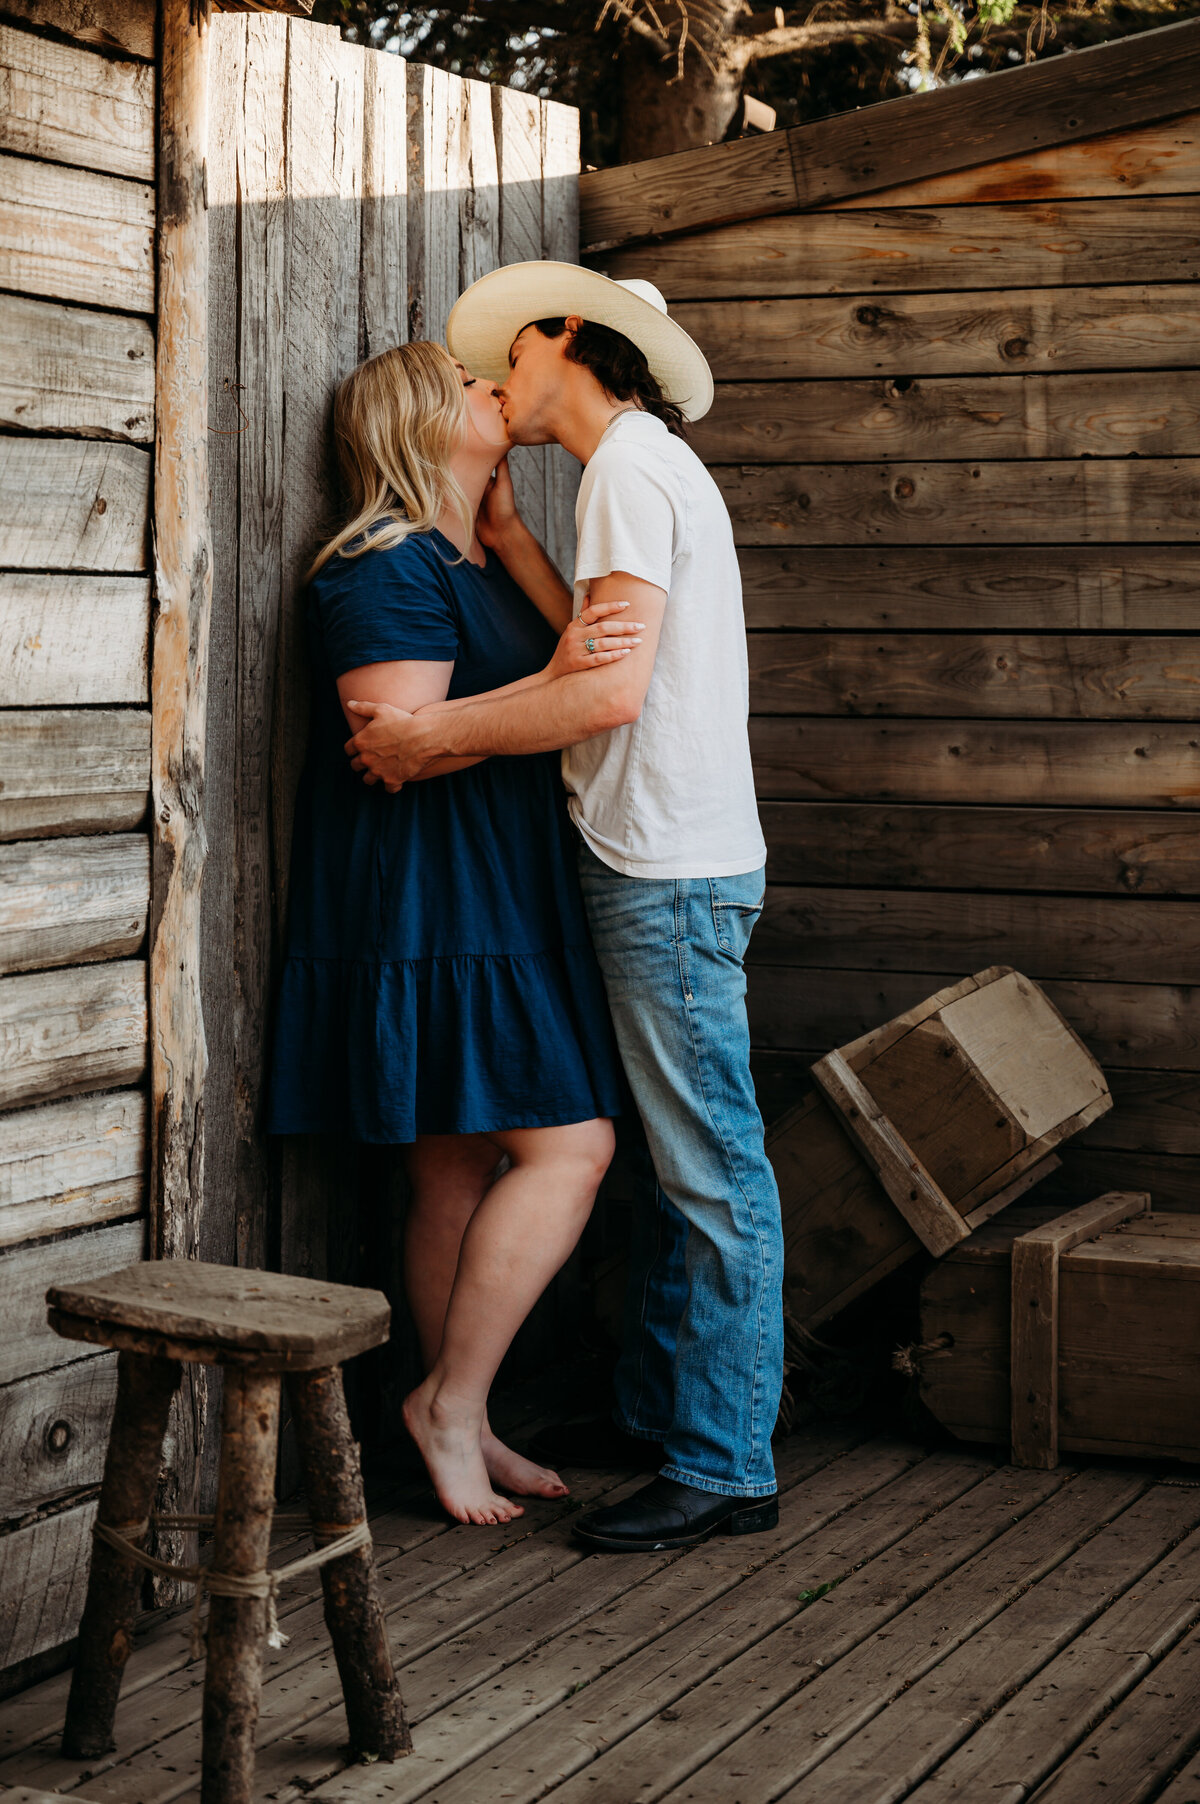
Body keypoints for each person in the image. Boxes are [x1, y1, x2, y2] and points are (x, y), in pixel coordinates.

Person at [342, 266, 786, 1553]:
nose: (497, 374)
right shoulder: (626, 475)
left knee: (709, 1168)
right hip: (652, 863)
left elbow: (602, 696)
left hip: (669, 873)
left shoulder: (630, 473)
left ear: (564, 340)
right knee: (666, 1159)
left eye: (509, 352)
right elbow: (588, 650)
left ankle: (722, 1460)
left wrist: (430, 739)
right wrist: (514, 542)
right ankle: (670, 1414)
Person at [266, 338, 639, 1527]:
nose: (499, 389)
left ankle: (466, 1419)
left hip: (496, 882)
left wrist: (516, 537)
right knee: (570, 1147)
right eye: (473, 386)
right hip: (435, 893)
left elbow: (567, 655)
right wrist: (556, 680)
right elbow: (402, 747)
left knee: (456, 1160)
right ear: (422, 424)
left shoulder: (467, 556)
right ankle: (450, 1400)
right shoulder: (378, 568)